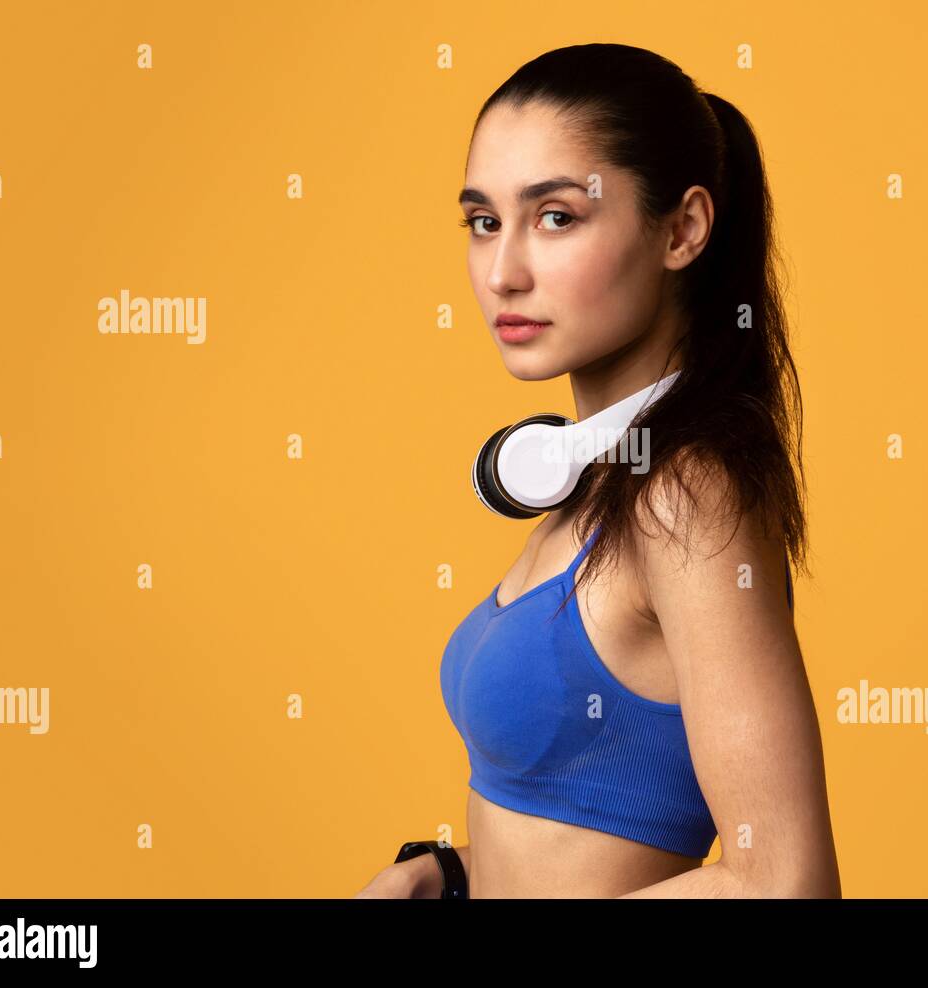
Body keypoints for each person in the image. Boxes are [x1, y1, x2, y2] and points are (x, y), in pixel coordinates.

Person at [358, 42, 840, 898]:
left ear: (682, 229)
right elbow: (580, 849)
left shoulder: (688, 495)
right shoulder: (598, 482)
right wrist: (447, 875)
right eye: (483, 221)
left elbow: (783, 882)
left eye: (555, 217)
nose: (503, 272)